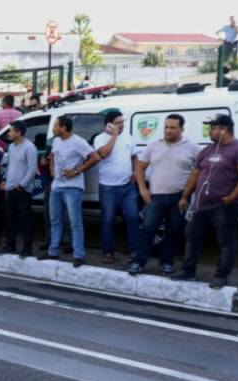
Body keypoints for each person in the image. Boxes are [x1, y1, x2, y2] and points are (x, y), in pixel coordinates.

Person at [172, 115, 238, 289]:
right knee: (192, 237)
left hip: (224, 206)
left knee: (225, 241)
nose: (210, 132)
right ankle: (188, 271)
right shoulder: (207, 150)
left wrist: (232, 197)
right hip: (201, 204)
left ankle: (221, 275)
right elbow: (195, 174)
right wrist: (185, 196)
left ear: (223, 129)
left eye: (212, 128)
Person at [128, 114, 199, 276]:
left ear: (181, 129)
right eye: (166, 127)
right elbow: (140, 167)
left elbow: (198, 172)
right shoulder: (153, 145)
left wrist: (186, 196)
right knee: (148, 229)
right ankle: (138, 262)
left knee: (173, 231)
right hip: (155, 196)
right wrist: (142, 190)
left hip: (178, 197)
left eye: (173, 128)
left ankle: (167, 262)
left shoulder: (193, 148)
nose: (168, 131)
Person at [43, 115, 100, 267]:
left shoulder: (78, 142)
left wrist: (77, 171)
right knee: (55, 220)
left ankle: (79, 255)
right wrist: (51, 169)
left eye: (55, 126)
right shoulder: (56, 141)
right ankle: (53, 252)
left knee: (75, 223)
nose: (54, 129)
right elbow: (53, 155)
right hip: (57, 186)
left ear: (63, 127)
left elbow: (95, 157)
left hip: (73, 188)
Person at [93, 110, 140, 263]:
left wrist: (134, 171)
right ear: (109, 124)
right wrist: (113, 135)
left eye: (122, 122)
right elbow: (104, 153)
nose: (122, 125)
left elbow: (134, 157)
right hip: (108, 188)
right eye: (118, 123)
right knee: (108, 220)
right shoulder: (100, 138)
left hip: (127, 186)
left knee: (133, 218)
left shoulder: (128, 137)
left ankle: (133, 251)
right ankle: (107, 252)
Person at [3, 120, 38, 257]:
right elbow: (9, 165)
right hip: (10, 188)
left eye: (11, 131)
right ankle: (10, 246)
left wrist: (22, 184)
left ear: (19, 132)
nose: (9, 133)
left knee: (25, 219)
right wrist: (5, 181)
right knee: (10, 218)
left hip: (22, 189)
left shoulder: (29, 147)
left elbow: (32, 168)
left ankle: (27, 249)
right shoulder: (11, 147)